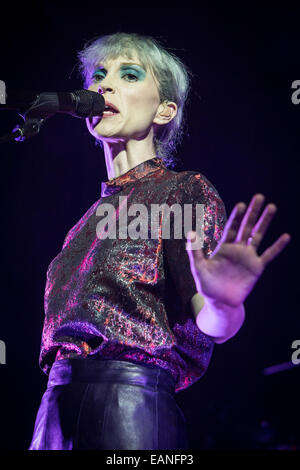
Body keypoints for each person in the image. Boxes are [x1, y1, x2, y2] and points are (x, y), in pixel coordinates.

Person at [29, 32, 291, 450]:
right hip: (54, 412)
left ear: (165, 110)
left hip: (128, 408)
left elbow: (212, 326)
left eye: (128, 74)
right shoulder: (82, 225)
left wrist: (225, 302)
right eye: (99, 75)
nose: (104, 85)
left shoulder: (182, 192)